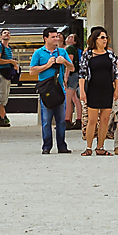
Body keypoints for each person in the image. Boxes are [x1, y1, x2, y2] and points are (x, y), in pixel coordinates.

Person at [30, 27, 73, 155]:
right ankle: (46, 146)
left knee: (61, 120)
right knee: (46, 121)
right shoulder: (38, 53)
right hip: (46, 90)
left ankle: (62, 145)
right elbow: (32, 71)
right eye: (53, 37)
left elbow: (72, 67)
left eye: (57, 36)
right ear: (45, 38)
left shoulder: (62, 52)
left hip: (59, 89)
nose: (56, 39)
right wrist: (47, 65)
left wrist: (64, 62)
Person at [82, 28, 117, 155]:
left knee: (105, 119)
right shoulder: (88, 55)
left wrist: (116, 90)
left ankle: (100, 147)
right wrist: (82, 91)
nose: (105, 40)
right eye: (102, 37)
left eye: (106, 37)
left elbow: (115, 74)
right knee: (92, 120)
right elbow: (82, 74)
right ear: (95, 39)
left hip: (107, 89)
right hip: (93, 89)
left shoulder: (110, 55)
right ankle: (88, 147)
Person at [0, 28, 18, 129]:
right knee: (1, 97)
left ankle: (3, 116)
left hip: (8, 74)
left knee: (4, 97)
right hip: (2, 74)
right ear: (1, 36)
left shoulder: (9, 48)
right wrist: (11, 61)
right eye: (5, 33)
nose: (7, 34)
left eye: (8, 33)